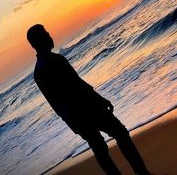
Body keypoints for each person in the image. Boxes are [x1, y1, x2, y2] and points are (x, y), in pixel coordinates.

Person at [27, 24, 151, 175]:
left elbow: (76, 85)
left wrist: (99, 100)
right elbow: (62, 98)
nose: (49, 36)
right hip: (86, 110)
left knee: (102, 146)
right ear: (36, 43)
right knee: (116, 136)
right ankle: (142, 173)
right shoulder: (48, 66)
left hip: (83, 112)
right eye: (45, 34)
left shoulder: (47, 65)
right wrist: (92, 106)